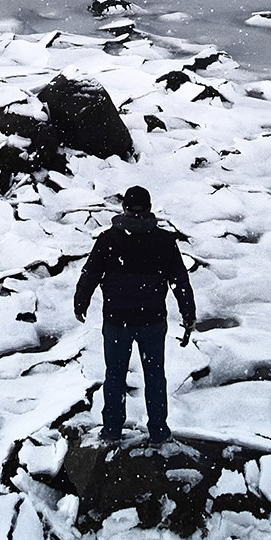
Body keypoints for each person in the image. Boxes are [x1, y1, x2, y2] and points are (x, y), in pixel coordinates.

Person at [74, 185, 196, 444]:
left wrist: (80, 302)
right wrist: (188, 313)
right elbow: (179, 281)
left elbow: (90, 274)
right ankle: (159, 431)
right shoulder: (164, 241)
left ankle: (111, 431)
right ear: (149, 208)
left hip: (117, 320)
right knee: (155, 376)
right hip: (152, 320)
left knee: (115, 376)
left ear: (124, 208)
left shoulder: (108, 239)